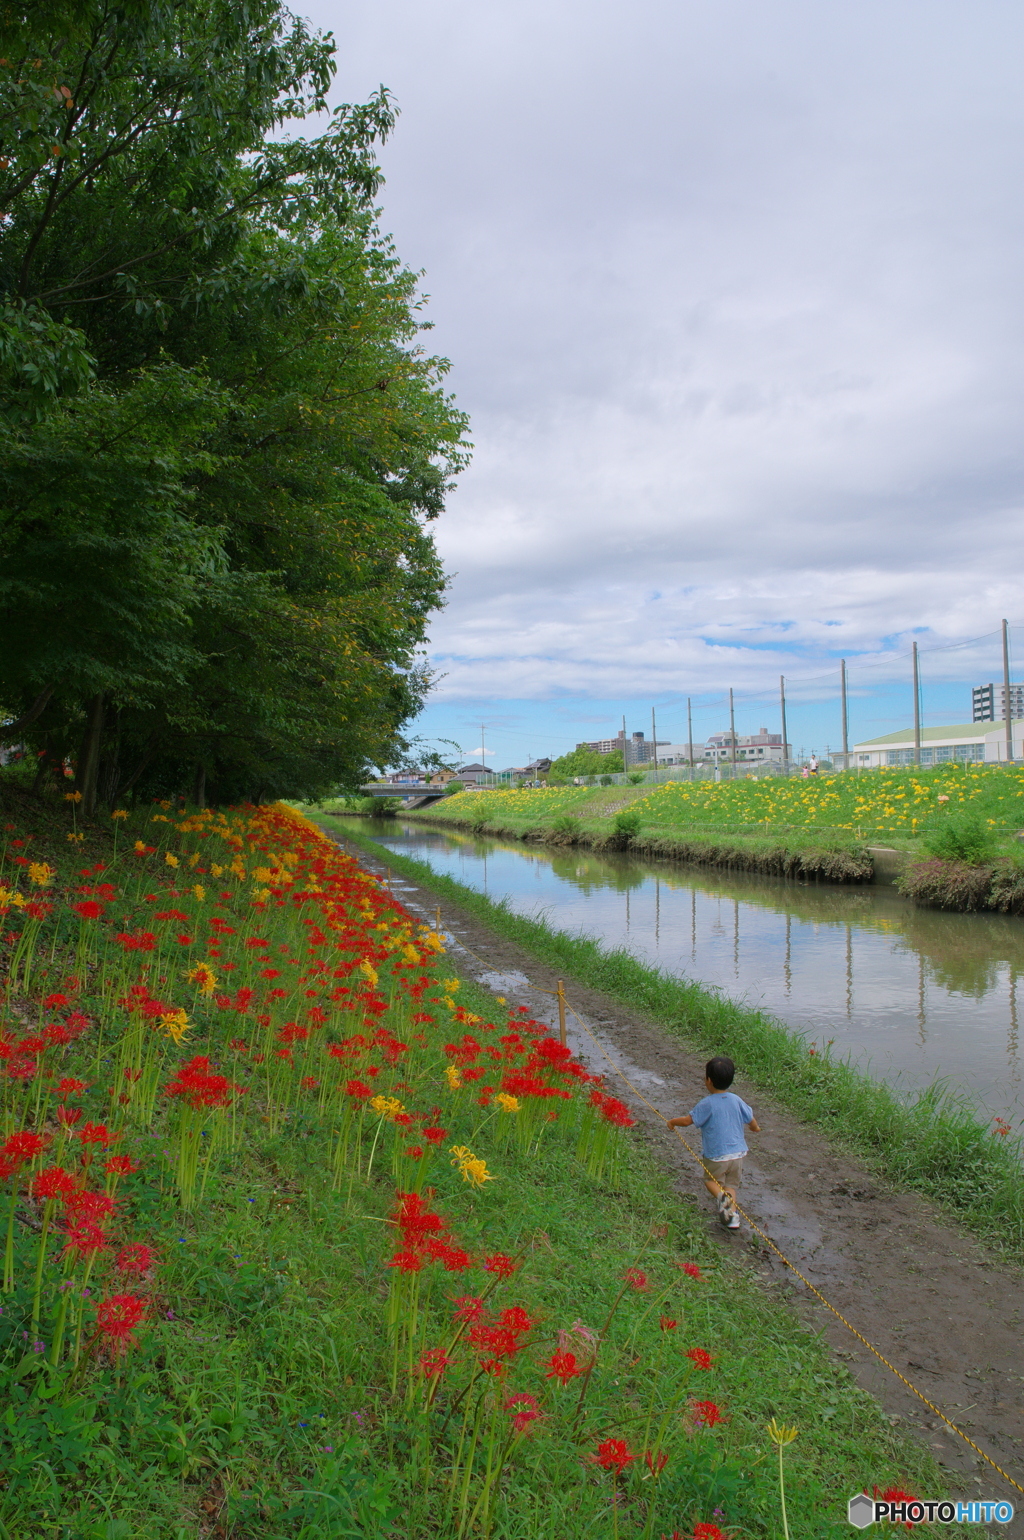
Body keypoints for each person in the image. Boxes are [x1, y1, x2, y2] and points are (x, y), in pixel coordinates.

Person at [667, 1056, 759, 1230]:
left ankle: (721, 1198)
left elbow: (688, 1121)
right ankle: (732, 1217)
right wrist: (755, 1128)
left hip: (717, 1155)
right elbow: (751, 1119)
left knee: (711, 1180)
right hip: (738, 1154)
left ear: (708, 1080)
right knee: (731, 1185)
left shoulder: (707, 1103)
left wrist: (672, 1122)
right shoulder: (736, 1099)